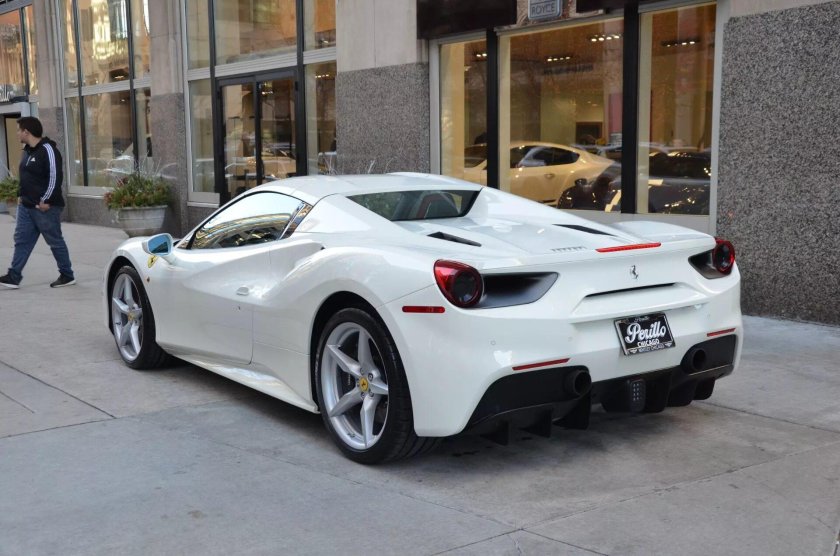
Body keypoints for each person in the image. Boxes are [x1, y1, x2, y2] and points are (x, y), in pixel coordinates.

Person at [0, 116, 75, 289]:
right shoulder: (27, 151)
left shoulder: (48, 149)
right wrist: (20, 195)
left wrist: (46, 200)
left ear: (26, 132)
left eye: (19, 130)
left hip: (45, 207)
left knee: (54, 241)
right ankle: (14, 276)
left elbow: (55, 177)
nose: (17, 133)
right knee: (22, 240)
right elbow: (26, 177)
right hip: (26, 206)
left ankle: (67, 275)